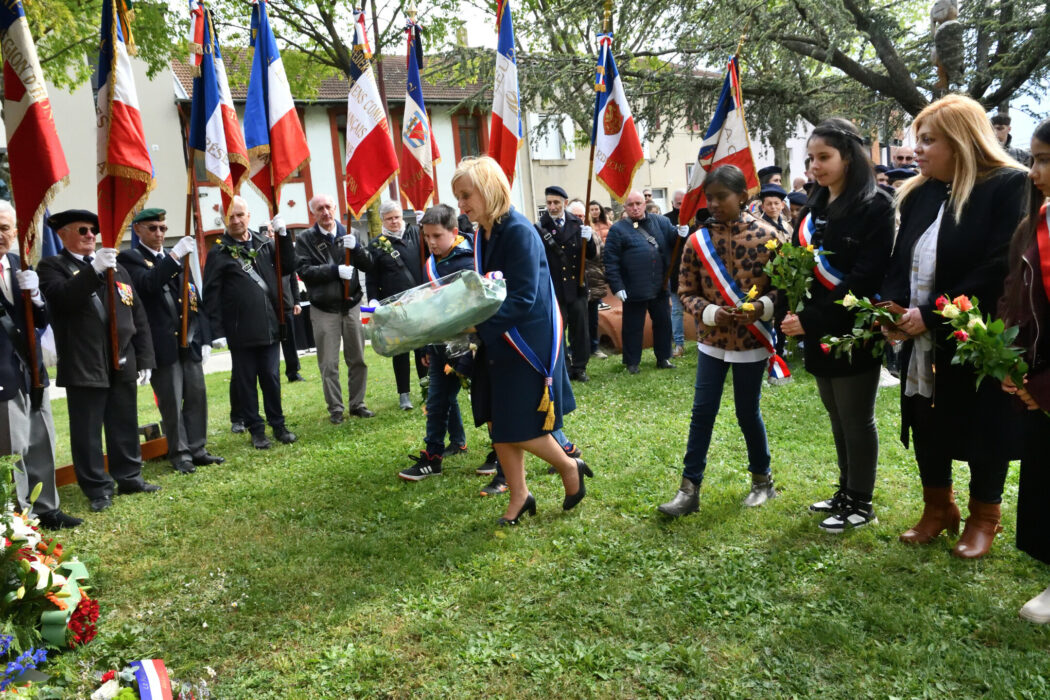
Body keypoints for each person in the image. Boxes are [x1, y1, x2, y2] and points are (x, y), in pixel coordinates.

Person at [881, 94, 1028, 559]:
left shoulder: (1008, 186)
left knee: (987, 422)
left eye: (928, 140)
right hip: (921, 335)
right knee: (927, 417)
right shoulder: (923, 190)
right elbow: (902, 257)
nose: (917, 150)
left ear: (962, 141)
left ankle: (985, 516)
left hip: (977, 333)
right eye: (916, 140)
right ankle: (937, 508)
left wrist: (933, 313)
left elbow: (999, 265)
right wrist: (893, 310)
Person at [451, 156, 591, 525]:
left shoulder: (517, 230)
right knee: (497, 420)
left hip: (525, 340)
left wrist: (478, 327)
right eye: (458, 197)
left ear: (488, 189)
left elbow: (524, 296)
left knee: (522, 424)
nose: (461, 205)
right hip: (500, 334)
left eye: (466, 195)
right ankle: (520, 495)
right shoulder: (484, 232)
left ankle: (568, 466)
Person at [780, 118, 895, 531]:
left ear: (849, 156)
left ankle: (862, 503)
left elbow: (864, 278)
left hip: (851, 329)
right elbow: (797, 268)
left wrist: (809, 319)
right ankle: (846, 491)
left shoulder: (876, 204)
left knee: (856, 416)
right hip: (815, 328)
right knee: (836, 414)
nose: (815, 166)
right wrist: (791, 313)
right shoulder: (815, 205)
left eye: (824, 157)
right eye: (811, 158)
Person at [657, 165, 779, 517]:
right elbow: (685, 290)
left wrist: (761, 307)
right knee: (702, 413)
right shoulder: (697, 241)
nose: (713, 203)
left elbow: (784, 290)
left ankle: (762, 481)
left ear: (743, 196)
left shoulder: (768, 237)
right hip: (711, 341)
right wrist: (709, 313)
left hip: (750, 342)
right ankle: (689, 491)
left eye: (721, 197)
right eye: (708, 197)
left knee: (746, 412)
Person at [38, 209, 160, 513]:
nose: (91, 235)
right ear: (63, 234)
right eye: (82, 231)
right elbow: (64, 298)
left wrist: (144, 357)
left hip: (122, 358)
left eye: (94, 230)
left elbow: (137, 313)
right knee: (87, 430)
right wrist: (94, 271)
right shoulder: (52, 266)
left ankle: (130, 476)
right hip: (84, 361)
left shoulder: (115, 266)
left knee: (124, 422)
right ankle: (97, 488)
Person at [118, 208, 223, 475]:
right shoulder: (131, 258)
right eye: (153, 228)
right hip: (162, 344)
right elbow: (149, 284)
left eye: (163, 228)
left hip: (188, 341)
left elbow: (193, 298)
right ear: (138, 230)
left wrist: (205, 337)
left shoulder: (174, 259)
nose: (159, 233)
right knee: (172, 402)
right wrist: (175, 256)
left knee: (197, 396)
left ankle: (198, 448)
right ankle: (180, 454)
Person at [997, 117, 1050, 621]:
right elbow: (1013, 295)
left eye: (1046, 159)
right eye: (1034, 158)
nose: (1035, 171)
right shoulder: (1033, 224)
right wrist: (1008, 359)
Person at [0, 202, 80, 529]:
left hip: (31, 369)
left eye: (5, 228)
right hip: (3, 374)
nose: (0, 235)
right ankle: (21, 520)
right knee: (12, 449)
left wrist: (35, 298)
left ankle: (48, 508)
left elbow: (43, 319)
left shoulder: (20, 264)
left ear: (16, 232)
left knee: (42, 440)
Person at [203, 196, 297, 449]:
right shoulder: (219, 252)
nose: (235, 220)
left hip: (269, 326)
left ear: (249, 216)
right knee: (246, 382)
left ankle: (278, 425)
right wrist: (216, 331)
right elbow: (211, 294)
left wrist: (284, 235)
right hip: (239, 331)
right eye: (230, 216)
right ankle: (256, 430)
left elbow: (288, 266)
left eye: (240, 215)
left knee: (271, 377)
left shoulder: (265, 244)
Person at [397, 204, 477, 481]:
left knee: (486, 400)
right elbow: (425, 309)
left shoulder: (470, 259)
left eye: (437, 236)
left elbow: (477, 308)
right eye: (426, 236)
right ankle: (432, 457)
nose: (431, 242)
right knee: (436, 401)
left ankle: (501, 454)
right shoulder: (429, 264)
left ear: (454, 232)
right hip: (440, 346)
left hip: (470, 346)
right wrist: (424, 346)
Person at [294, 194, 372, 423]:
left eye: (328, 207)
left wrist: (356, 248)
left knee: (357, 358)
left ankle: (358, 404)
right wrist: (333, 271)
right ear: (313, 213)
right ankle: (336, 409)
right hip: (324, 308)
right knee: (329, 363)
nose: (325, 212)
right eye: (320, 209)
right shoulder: (305, 239)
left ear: (335, 208)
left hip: (351, 304)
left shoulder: (351, 233)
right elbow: (303, 270)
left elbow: (368, 264)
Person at [351, 201, 426, 410]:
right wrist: (373, 299)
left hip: (418, 302)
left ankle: (426, 387)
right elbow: (372, 276)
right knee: (400, 350)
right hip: (394, 306)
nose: (394, 222)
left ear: (403, 217)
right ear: (383, 220)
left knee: (422, 347)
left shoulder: (417, 235)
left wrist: (426, 223)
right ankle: (404, 395)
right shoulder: (376, 245)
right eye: (389, 218)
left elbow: (431, 254)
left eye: (397, 217)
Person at [603, 190, 684, 374]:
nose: (635, 208)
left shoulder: (661, 221)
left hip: (660, 284)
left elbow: (674, 240)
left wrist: (681, 233)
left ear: (644, 204)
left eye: (638, 203)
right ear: (625, 207)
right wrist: (617, 286)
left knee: (663, 323)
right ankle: (632, 362)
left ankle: (663, 358)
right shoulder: (618, 229)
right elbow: (610, 260)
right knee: (633, 327)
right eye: (630, 205)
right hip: (633, 287)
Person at [536, 185, 597, 382]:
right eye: (549, 203)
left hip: (576, 286)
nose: (552, 207)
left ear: (565, 203)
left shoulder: (577, 224)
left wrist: (590, 240)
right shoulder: (540, 227)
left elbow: (590, 255)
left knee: (580, 330)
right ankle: (563, 367)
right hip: (554, 288)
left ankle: (580, 367)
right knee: (558, 332)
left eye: (556, 202)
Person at [573, 201, 609, 361]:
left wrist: (604, 275)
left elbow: (601, 255)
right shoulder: (566, 233)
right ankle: (575, 348)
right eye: (575, 215)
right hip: (574, 284)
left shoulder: (592, 233)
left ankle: (594, 347)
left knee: (592, 318)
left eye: (581, 215)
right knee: (576, 320)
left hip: (593, 281)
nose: (579, 218)